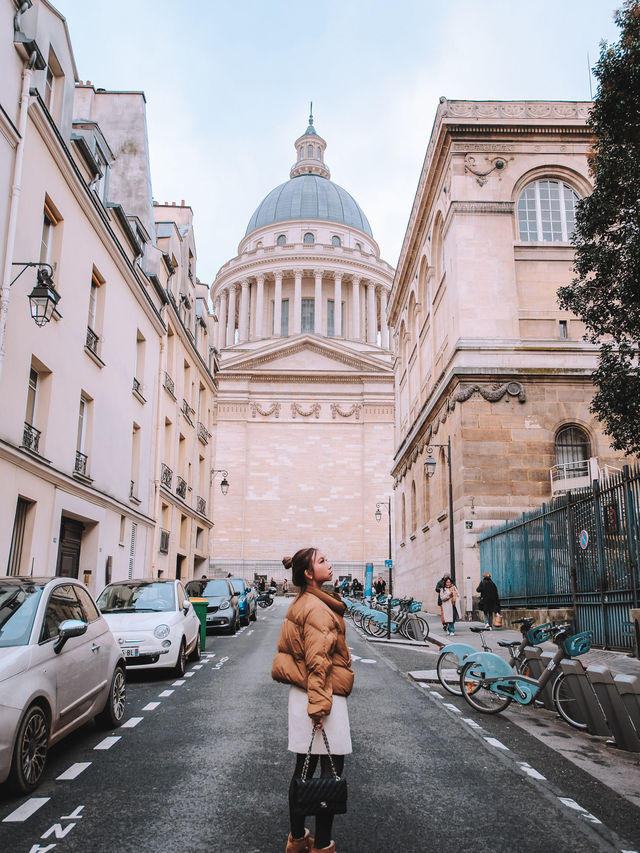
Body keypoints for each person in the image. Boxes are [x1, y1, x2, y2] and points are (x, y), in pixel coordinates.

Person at [272, 549, 354, 853]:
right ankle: (321, 845)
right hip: (321, 695)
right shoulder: (318, 609)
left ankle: (296, 839)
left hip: (304, 694)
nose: (329, 564)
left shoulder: (304, 600)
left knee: (303, 771)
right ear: (308, 573)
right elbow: (318, 662)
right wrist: (320, 709)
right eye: (322, 561)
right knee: (330, 774)